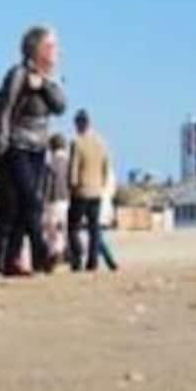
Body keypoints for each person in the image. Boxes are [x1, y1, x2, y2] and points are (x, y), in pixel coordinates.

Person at [0, 26, 67, 277]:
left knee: (23, 207)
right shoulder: (18, 74)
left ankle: (11, 260)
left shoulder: (48, 79)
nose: (56, 51)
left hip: (38, 149)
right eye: (51, 46)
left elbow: (60, 106)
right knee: (31, 200)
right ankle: (41, 254)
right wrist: (1, 142)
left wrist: (42, 84)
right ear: (36, 50)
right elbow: (5, 109)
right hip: (16, 146)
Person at [69, 109, 118, 272]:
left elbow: (74, 168)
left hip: (81, 190)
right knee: (94, 228)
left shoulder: (77, 142)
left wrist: (72, 186)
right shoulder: (101, 142)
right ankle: (93, 262)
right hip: (97, 191)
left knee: (73, 227)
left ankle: (77, 259)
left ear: (78, 124)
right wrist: (102, 184)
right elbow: (106, 166)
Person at [42, 134, 72, 270]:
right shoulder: (69, 162)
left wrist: (43, 200)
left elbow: (47, 184)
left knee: (52, 230)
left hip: (52, 200)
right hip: (66, 200)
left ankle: (54, 254)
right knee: (62, 228)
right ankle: (62, 252)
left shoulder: (50, 164)